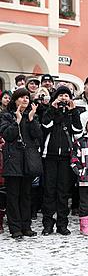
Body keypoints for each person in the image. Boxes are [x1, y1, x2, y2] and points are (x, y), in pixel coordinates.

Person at [0, 88, 42, 239]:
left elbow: (38, 136)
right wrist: (16, 121)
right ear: (15, 100)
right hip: (13, 160)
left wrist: (31, 120)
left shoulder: (31, 116)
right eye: (22, 97)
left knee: (26, 195)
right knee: (13, 196)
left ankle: (26, 226)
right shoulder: (6, 115)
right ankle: (15, 228)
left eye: (27, 98)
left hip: (27, 161)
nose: (25, 100)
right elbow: (7, 135)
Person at [41, 85, 82, 235]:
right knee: (49, 191)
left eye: (66, 95)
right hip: (50, 157)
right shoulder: (50, 111)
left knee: (63, 192)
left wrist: (73, 111)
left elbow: (78, 132)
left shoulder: (72, 114)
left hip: (66, 158)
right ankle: (47, 224)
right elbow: (45, 125)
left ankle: (62, 224)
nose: (63, 98)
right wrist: (53, 109)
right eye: (61, 95)